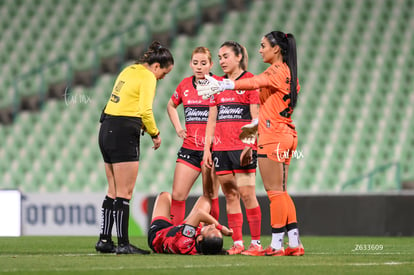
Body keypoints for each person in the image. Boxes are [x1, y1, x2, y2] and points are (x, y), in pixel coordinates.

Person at [197, 31, 305, 256]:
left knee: (275, 193)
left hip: (273, 135)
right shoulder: (289, 73)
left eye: (263, 45)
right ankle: (293, 243)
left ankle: (275, 245)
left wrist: (225, 85)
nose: (260, 49)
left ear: (276, 49)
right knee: (282, 192)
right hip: (284, 133)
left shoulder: (276, 70)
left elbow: (256, 82)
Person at [95, 41, 174, 254]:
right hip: (123, 130)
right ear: (156, 66)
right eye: (163, 73)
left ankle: (104, 240)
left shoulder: (128, 70)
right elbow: (145, 110)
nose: (162, 78)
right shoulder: (148, 76)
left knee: (112, 190)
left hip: (106, 128)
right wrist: (155, 134)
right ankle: (122, 244)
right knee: (125, 192)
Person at [203, 41, 262, 256]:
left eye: (225, 56)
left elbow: (256, 117)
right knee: (230, 195)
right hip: (220, 148)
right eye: (219, 57)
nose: (221, 61)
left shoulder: (250, 81)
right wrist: (208, 149)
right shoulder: (217, 84)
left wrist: (250, 144)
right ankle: (238, 243)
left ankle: (255, 244)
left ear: (238, 57)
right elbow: (211, 119)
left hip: (242, 147)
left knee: (247, 194)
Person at [167, 46, 221, 225]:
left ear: (211, 64)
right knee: (178, 195)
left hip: (213, 149)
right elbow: (171, 106)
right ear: (190, 64)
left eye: (203, 63)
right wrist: (178, 128)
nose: (199, 67)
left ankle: (211, 235)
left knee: (211, 195)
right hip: (190, 148)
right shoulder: (184, 85)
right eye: (195, 63)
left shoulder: (220, 84)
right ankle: (175, 236)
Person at [148, 192, 233, 255]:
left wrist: (221, 228)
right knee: (206, 200)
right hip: (178, 232)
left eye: (210, 229)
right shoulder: (200, 244)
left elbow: (199, 213)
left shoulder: (184, 242)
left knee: (164, 195)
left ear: (200, 238)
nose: (213, 225)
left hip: (159, 234)